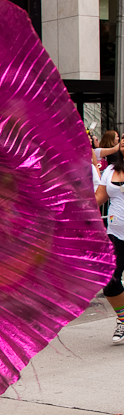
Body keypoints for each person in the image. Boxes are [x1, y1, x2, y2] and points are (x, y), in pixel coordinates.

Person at [95, 137, 124, 343]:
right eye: (123, 141)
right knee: (110, 280)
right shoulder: (110, 170)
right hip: (116, 234)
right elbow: (99, 197)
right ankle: (123, 319)